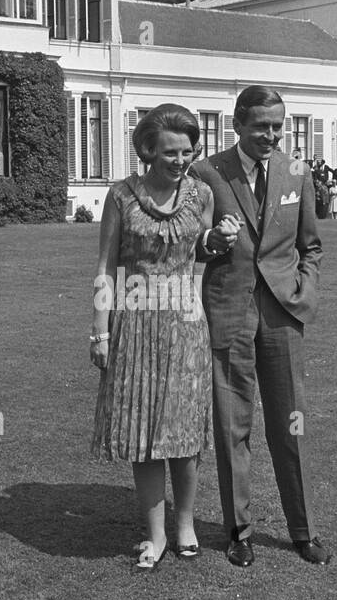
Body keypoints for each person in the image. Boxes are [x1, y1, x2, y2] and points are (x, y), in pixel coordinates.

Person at [91, 103, 237, 569]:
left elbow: (199, 252)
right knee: (143, 431)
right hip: (134, 324)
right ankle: (154, 535)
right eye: (171, 152)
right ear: (147, 150)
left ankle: (186, 524)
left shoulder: (200, 194)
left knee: (185, 431)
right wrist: (100, 333)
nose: (180, 160)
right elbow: (105, 267)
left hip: (185, 324)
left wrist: (218, 241)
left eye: (188, 151)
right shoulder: (120, 197)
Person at [192, 85, 329, 566]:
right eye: (260, 127)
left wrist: (304, 291)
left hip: (283, 314)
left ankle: (303, 530)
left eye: (278, 125)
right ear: (237, 125)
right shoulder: (206, 173)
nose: (271, 135)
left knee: (291, 424)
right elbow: (192, 244)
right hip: (229, 310)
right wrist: (212, 241)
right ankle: (239, 531)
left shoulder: (297, 171)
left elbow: (310, 245)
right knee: (233, 426)